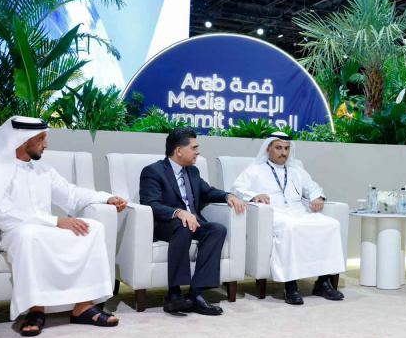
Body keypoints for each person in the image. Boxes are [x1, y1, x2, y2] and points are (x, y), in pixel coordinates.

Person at [0, 116, 128, 336]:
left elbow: (72, 195)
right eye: (41, 138)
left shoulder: (43, 171)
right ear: (23, 139)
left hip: (46, 228)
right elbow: (1, 214)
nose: (46, 144)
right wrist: (56, 221)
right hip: (17, 233)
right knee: (29, 235)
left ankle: (83, 307)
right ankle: (36, 310)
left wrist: (106, 198)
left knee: (93, 228)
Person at [139, 127, 246, 316]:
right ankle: (174, 294)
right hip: (167, 224)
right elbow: (150, 203)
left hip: (193, 222)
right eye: (194, 148)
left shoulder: (193, 172)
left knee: (217, 229)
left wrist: (228, 196)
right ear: (179, 150)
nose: (198, 152)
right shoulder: (153, 171)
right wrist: (179, 212)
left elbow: (208, 191)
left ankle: (196, 293)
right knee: (183, 227)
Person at [230, 131, 345, 305]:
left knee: (331, 224)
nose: (283, 152)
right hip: (274, 214)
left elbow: (313, 187)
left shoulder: (296, 171)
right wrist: (254, 195)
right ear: (268, 149)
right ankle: (290, 285)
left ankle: (323, 282)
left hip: (299, 212)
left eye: (286, 148)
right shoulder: (255, 170)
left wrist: (318, 197)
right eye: (278, 148)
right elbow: (237, 188)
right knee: (290, 227)